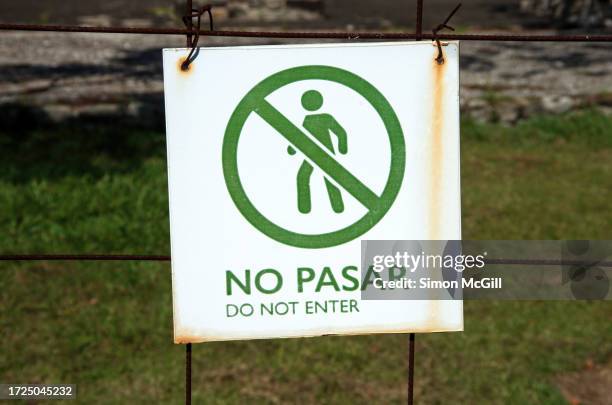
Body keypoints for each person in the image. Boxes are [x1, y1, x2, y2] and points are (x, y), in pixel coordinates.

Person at [288, 90, 348, 214]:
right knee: (303, 177)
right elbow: (299, 137)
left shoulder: (326, 118)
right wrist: (292, 148)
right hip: (310, 155)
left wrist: (343, 147)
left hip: (326, 155)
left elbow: (341, 132)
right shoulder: (307, 120)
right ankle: (304, 208)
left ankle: (338, 207)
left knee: (330, 180)